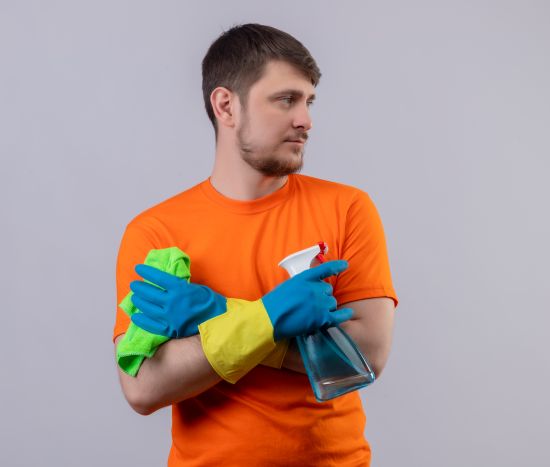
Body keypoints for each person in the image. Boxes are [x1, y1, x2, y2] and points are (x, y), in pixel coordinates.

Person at [113, 23, 398, 466]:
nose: (305, 119)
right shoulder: (157, 232)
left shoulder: (348, 208)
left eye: (308, 101)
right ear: (226, 105)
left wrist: (214, 315)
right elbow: (144, 387)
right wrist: (273, 319)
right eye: (286, 99)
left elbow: (364, 361)